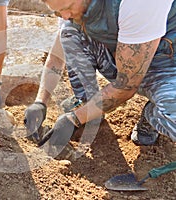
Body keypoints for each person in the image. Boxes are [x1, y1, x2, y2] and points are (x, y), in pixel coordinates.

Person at [24, 0, 176, 155]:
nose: (64, 15)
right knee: (70, 32)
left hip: (168, 66)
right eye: (58, 12)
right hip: (126, 58)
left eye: (68, 8)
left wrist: (73, 119)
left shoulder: (139, 4)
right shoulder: (69, 9)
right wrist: (40, 102)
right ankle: (89, 106)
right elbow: (57, 57)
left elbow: (126, 86)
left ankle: (153, 114)